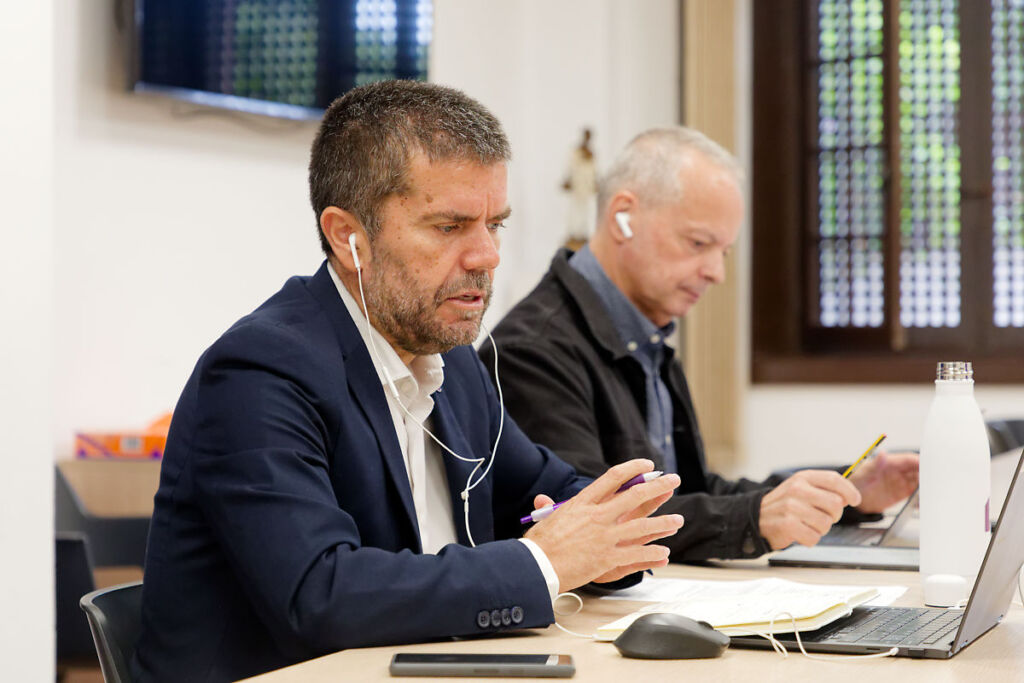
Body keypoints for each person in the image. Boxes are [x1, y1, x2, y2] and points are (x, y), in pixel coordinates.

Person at [133, 82, 684, 682]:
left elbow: (548, 492)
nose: (487, 255)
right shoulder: (258, 372)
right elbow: (321, 594)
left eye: (494, 224)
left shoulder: (457, 363)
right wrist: (545, 561)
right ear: (350, 237)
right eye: (449, 226)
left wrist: (607, 534)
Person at [479, 127, 918, 562]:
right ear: (622, 217)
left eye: (722, 252)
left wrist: (845, 494)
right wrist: (755, 516)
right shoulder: (532, 351)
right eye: (698, 243)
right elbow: (591, 523)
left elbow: (694, 492)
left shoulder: (647, 337)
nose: (715, 273)